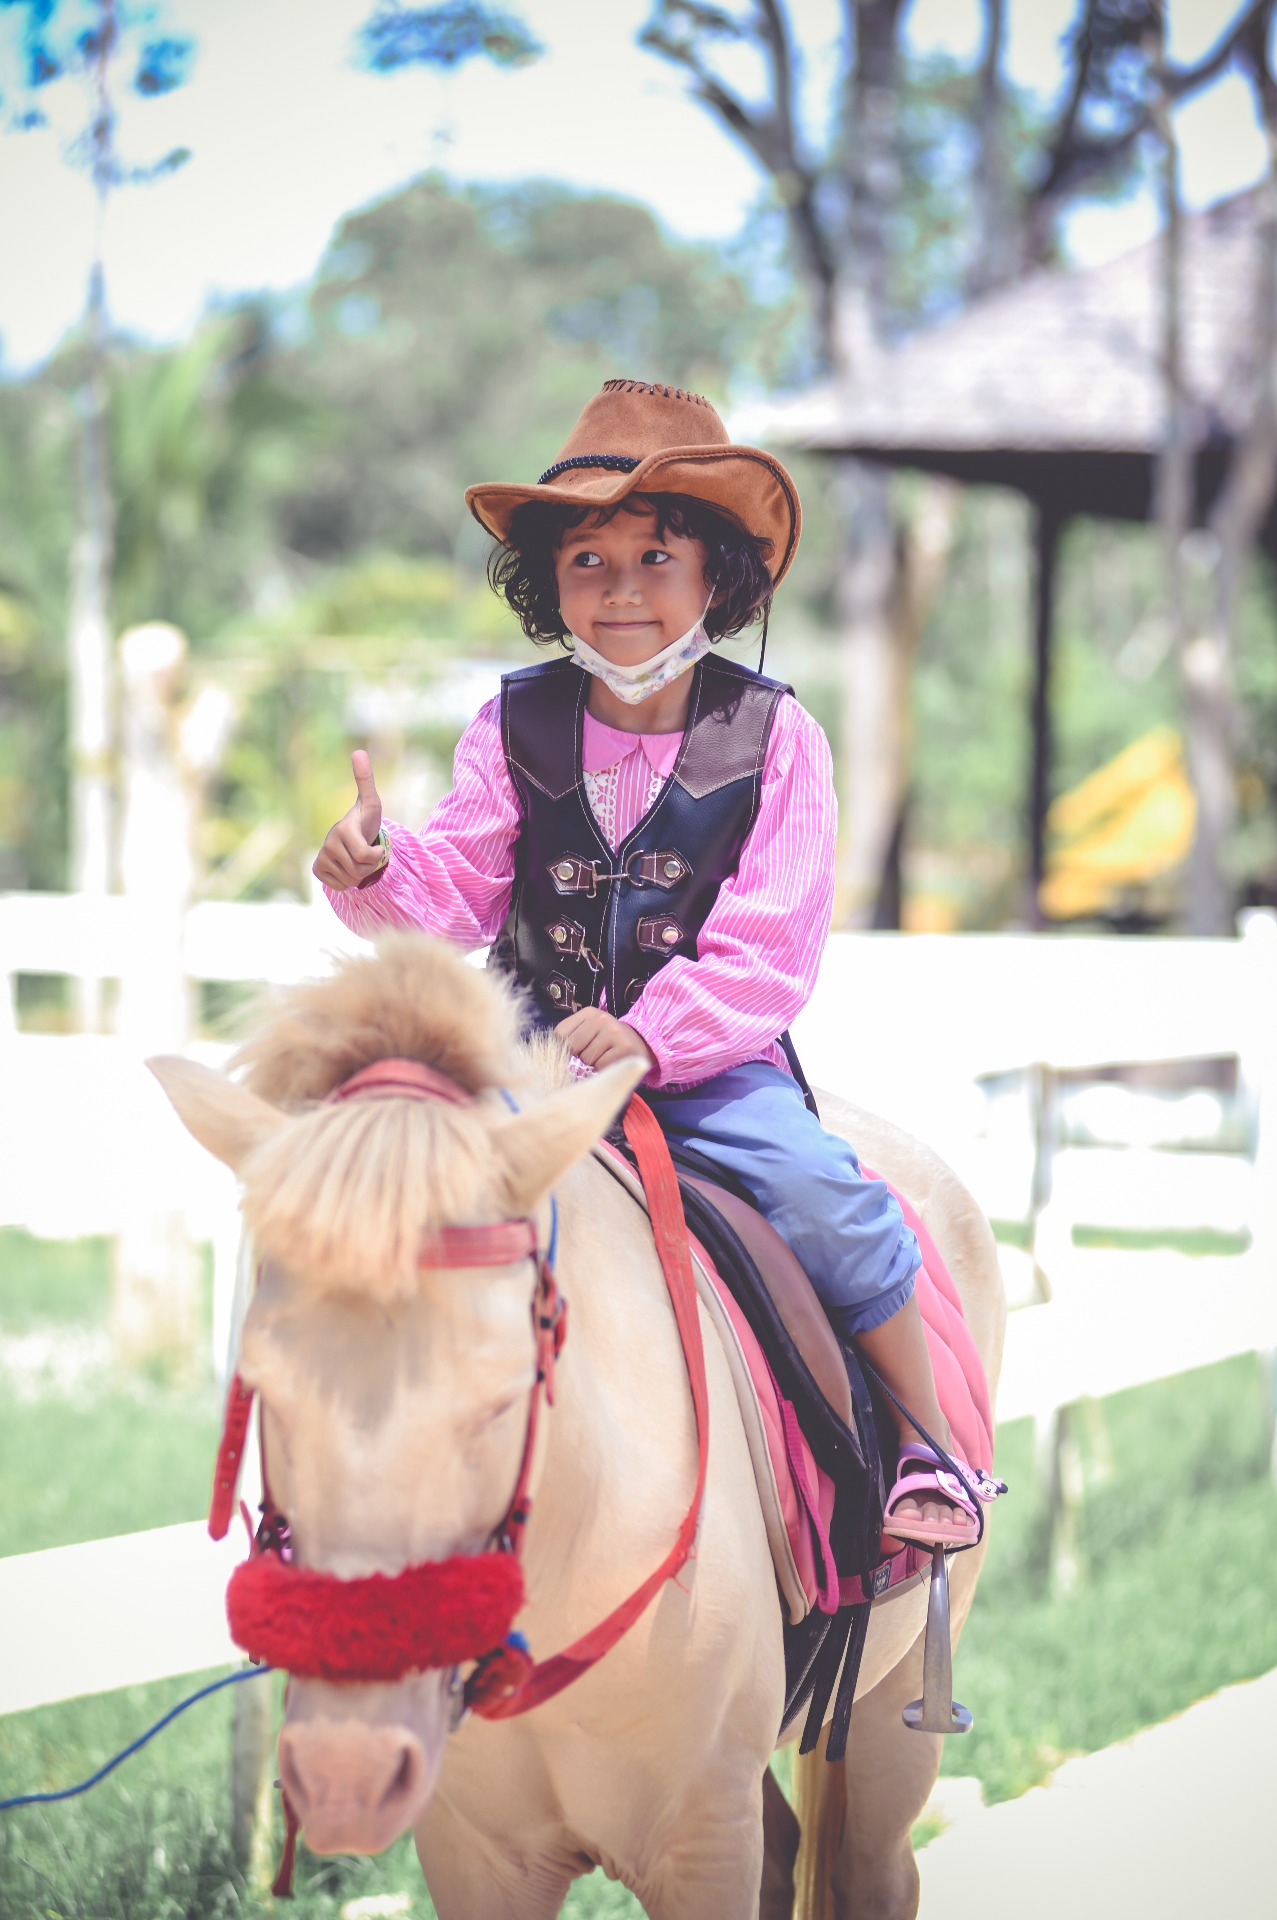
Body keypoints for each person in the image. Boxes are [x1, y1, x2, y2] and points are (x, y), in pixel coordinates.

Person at [314, 378, 994, 1549]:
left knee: (829, 1200)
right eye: (588, 559)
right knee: (381, 1172)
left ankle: (925, 1445)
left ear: (716, 578)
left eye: (655, 557)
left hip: (710, 1073)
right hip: (529, 1064)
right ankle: (352, 1441)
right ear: (550, 583)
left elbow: (770, 941)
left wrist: (652, 1034)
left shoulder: (778, 737)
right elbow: (462, 887)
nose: (621, 588)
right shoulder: (510, 725)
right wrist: (375, 870)